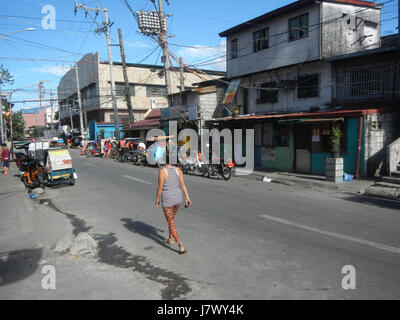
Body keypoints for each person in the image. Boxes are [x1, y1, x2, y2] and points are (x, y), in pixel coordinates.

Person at [155, 154, 191, 254]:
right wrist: (187, 197)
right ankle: (170, 239)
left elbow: (160, 188)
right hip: (178, 198)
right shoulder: (178, 170)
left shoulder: (162, 171)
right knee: (171, 219)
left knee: (171, 222)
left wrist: (157, 199)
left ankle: (180, 245)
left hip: (168, 199)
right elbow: (183, 184)